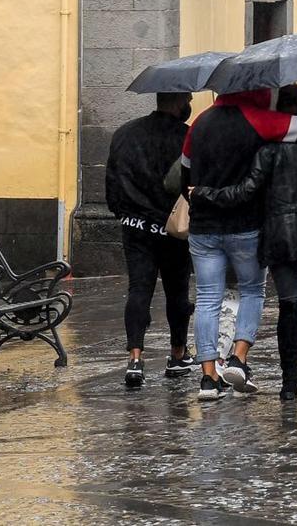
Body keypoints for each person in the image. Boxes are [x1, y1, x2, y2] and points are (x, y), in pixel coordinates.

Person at [195, 84, 297, 400]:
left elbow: (246, 191)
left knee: (291, 304)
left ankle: (289, 382)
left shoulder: (268, 152)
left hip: (282, 233)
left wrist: (205, 193)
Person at [106, 93, 196, 389]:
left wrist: (124, 212)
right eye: (188, 99)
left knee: (139, 289)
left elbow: (112, 181)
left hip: (135, 227)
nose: (190, 103)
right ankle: (177, 355)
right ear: (178, 102)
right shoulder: (186, 136)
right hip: (172, 228)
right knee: (177, 291)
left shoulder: (125, 133)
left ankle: (134, 358)